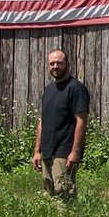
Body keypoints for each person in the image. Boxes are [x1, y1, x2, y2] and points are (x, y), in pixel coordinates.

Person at [32, 48, 90, 201]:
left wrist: (75, 152)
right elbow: (42, 121)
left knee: (64, 194)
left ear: (67, 64)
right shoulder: (49, 90)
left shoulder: (76, 89)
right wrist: (37, 151)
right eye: (52, 63)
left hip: (64, 150)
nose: (55, 66)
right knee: (49, 193)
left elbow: (81, 121)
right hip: (48, 150)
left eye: (59, 63)